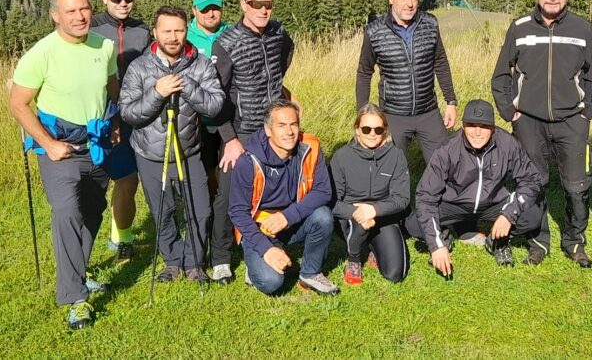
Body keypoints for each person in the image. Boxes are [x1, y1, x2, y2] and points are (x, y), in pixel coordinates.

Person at [8, 0, 120, 330]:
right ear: (55, 15)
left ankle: (79, 272)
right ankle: (76, 299)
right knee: (67, 211)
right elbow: (18, 103)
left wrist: (114, 121)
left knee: (94, 210)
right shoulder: (41, 53)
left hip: (96, 144)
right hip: (58, 148)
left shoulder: (105, 45)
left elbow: (111, 86)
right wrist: (48, 142)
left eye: (84, 8)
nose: (79, 16)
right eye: (70, 10)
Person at [491, 0, 592, 267]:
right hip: (529, 122)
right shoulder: (520, 27)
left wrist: (587, 112)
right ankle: (538, 241)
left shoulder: (583, 28)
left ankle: (575, 242)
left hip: (572, 121)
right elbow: (500, 75)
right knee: (532, 183)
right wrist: (510, 112)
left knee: (578, 186)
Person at [119, 6, 224, 284]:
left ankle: (195, 263)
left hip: (189, 151)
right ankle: (172, 262)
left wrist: (187, 86)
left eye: (178, 30)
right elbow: (128, 113)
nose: (173, 37)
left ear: (186, 31)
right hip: (150, 154)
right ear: (155, 32)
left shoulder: (200, 65)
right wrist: (157, 93)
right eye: (166, 31)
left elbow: (215, 105)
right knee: (163, 212)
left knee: (200, 210)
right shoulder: (140, 67)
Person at [209, 0, 296, 285]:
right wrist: (229, 139)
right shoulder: (228, 41)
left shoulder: (278, 33)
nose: (263, 10)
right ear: (244, 5)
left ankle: (257, 251)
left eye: (268, 4)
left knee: (271, 193)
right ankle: (220, 257)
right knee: (229, 192)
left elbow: (285, 58)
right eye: (256, 4)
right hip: (242, 131)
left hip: (272, 128)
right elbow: (215, 94)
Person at [412, 100, 545, 277]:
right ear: (463, 125)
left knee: (532, 216)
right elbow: (425, 196)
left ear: (493, 127)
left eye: (483, 126)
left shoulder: (508, 144)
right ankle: (444, 238)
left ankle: (496, 241)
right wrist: (436, 245)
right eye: (471, 125)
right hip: (455, 203)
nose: (476, 132)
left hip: (493, 203)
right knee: (414, 224)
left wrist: (509, 214)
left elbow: (531, 180)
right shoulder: (447, 148)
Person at [228, 99, 338, 296]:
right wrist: (265, 249)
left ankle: (310, 273)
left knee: (323, 216)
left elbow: (324, 191)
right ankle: (256, 262)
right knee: (271, 283)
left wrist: (288, 216)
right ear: (268, 130)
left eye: (293, 124)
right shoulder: (247, 161)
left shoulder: (310, 147)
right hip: (260, 228)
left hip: (291, 220)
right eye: (281, 125)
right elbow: (237, 212)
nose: (289, 132)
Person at [355, 0, 458, 166]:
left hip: (428, 111)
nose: (410, 5)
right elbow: (364, 72)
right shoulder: (374, 31)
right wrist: (363, 112)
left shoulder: (430, 24)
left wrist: (450, 101)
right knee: (391, 169)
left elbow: (440, 62)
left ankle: (435, 197)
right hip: (393, 114)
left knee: (444, 166)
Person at [91, 0, 150, 263]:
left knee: (128, 181)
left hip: (136, 114)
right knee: (96, 185)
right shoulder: (91, 27)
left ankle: (122, 239)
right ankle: (88, 242)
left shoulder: (142, 30)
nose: (123, 3)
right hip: (100, 116)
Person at [330, 103, 411, 285]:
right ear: (357, 130)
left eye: (378, 129)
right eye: (366, 129)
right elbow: (333, 202)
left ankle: (374, 246)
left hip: (382, 216)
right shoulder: (341, 157)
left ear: (385, 130)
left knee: (395, 273)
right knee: (360, 223)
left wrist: (373, 210)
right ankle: (354, 259)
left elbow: (403, 198)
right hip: (350, 217)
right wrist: (358, 213)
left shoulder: (396, 156)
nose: (372, 133)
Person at [185, 0, 232, 278]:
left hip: (228, 122)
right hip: (195, 124)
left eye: (215, 7)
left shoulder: (231, 35)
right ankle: (197, 242)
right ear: (194, 12)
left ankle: (222, 245)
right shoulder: (185, 37)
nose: (211, 13)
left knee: (226, 184)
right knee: (201, 182)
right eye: (204, 9)